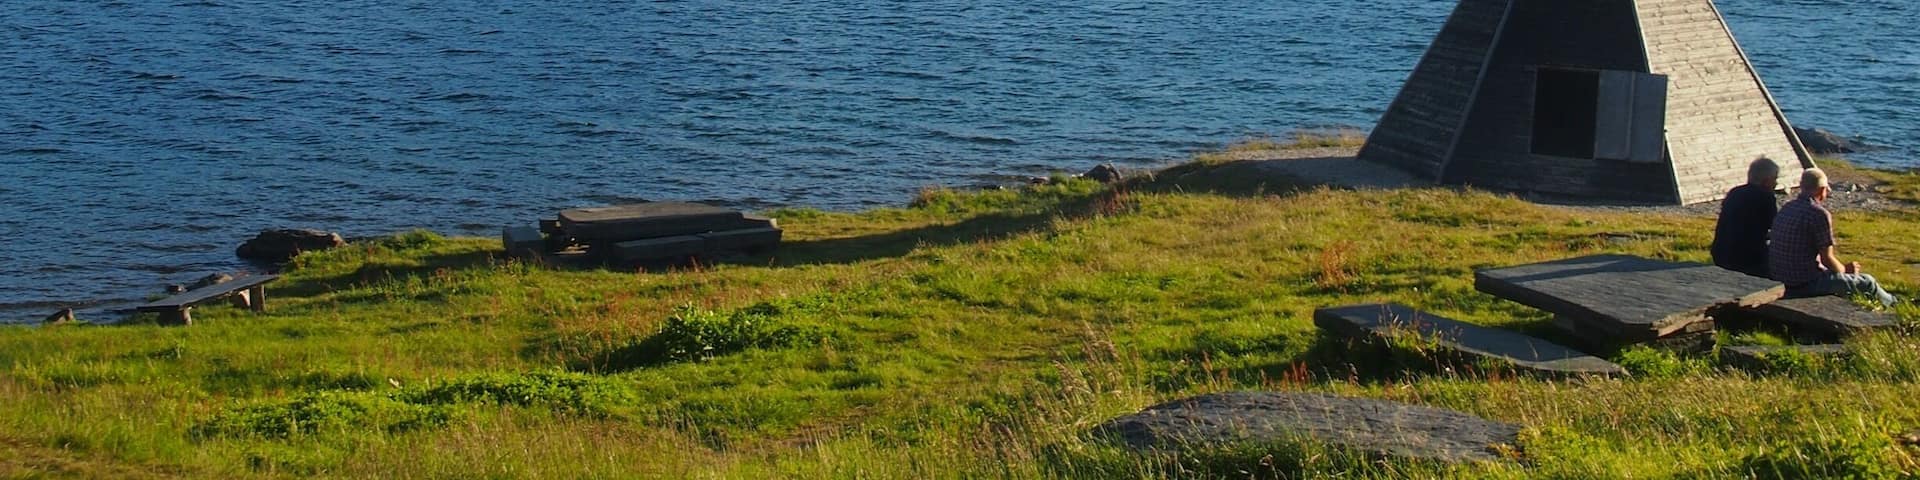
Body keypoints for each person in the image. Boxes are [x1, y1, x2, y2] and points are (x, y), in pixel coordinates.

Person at [1767, 168, 1897, 306]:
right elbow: (1827, 258)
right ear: (1822, 189)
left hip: (1780, 277)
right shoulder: (1818, 214)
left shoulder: (1787, 207)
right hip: (1803, 283)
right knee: (1867, 282)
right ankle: (1894, 304)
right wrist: (1846, 272)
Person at [1711, 158, 1779, 277]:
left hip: (1721, 252)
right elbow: (1776, 227)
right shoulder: (1766, 198)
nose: (1776, 183)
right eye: (1775, 179)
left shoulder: (1735, 192)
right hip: (1748, 258)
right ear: (1766, 181)